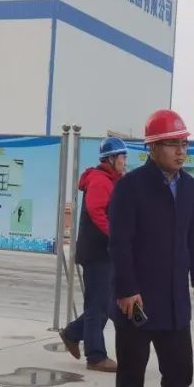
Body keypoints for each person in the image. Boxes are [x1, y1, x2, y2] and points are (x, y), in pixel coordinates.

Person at [108, 110, 194, 387]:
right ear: (152, 148)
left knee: (180, 372)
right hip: (137, 301)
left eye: (184, 144)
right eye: (172, 144)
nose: (181, 151)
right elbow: (119, 243)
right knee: (132, 377)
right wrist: (126, 289)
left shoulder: (188, 186)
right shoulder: (131, 186)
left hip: (174, 300)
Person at [60, 136, 128, 372]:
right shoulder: (100, 181)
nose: (125, 161)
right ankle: (96, 356)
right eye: (122, 157)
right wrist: (116, 235)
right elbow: (97, 212)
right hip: (96, 253)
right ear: (110, 159)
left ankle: (72, 333)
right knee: (97, 306)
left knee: (105, 305)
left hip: (104, 253)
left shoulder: (112, 180)